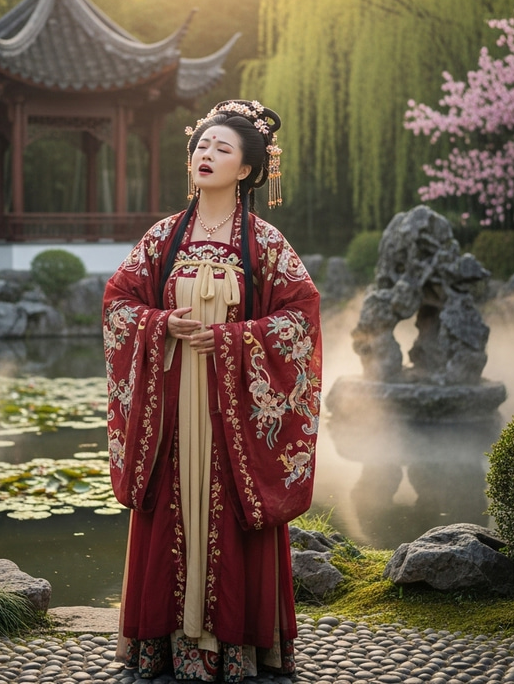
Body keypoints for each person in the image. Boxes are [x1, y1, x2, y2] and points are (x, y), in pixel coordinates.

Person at [103, 99, 322, 683]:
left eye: (222, 148)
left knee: (229, 510)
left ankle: (237, 645)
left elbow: (301, 316)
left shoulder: (265, 244)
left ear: (248, 170)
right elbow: (118, 303)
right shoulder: (163, 239)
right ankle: (161, 643)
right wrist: (159, 325)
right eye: (201, 145)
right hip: (171, 410)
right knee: (168, 507)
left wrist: (234, 341)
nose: (207, 154)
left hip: (234, 416)